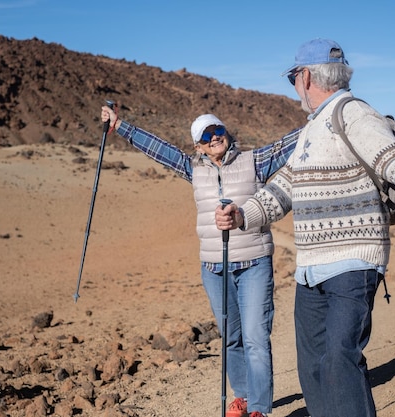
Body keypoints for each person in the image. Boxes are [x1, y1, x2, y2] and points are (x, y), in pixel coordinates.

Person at [214, 38, 395, 417]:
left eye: (293, 77)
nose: (294, 87)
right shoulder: (311, 130)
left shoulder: (354, 114)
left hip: (353, 262)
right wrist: (242, 215)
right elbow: (281, 188)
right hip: (311, 270)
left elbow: (393, 159)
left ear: (306, 76)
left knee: (340, 359)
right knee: (312, 368)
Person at [100, 106, 301, 417]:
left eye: (218, 130)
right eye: (206, 135)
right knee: (231, 338)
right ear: (198, 146)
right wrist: (120, 126)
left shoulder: (254, 161)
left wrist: (327, 115)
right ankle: (243, 398)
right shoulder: (193, 167)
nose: (215, 137)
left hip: (254, 263)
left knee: (256, 338)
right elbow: (159, 149)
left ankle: (260, 409)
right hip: (214, 268)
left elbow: (290, 143)